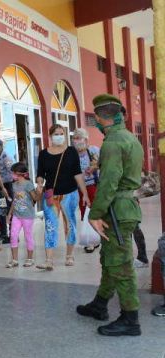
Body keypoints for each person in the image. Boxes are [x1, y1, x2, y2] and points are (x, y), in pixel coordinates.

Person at [77, 94, 143, 336]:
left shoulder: (113, 142)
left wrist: (95, 214)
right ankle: (100, 304)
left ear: (98, 117)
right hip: (124, 208)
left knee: (121, 265)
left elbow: (108, 183)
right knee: (110, 259)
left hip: (117, 210)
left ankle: (130, 319)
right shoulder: (129, 138)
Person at [35, 124, 90, 270]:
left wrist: (84, 193)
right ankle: (49, 260)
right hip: (51, 195)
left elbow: (77, 173)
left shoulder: (71, 151)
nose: (59, 136)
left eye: (61, 133)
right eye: (56, 134)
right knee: (50, 226)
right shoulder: (43, 154)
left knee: (70, 224)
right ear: (50, 136)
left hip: (70, 194)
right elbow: (40, 173)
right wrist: (40, 183)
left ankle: (69, 255)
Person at [121, 107, 149, 268]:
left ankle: (142, 257)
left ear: (125, 116)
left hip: (129, 190)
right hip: (126, 189)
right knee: (129, 225)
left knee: (132, 225)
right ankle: (132, 257)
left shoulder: (128, 139)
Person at [72, 128, 101, 253]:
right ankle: (90, 240)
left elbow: (102, 163)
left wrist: (94, 168)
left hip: (94, 186)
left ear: (86, 139)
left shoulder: (93, 150)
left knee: (96, 211)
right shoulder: (72, 154)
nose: (77, 141)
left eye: (79, 138)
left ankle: (98, 237)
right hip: (79, 188)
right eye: (75, 138)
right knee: (85, 212)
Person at [5, 162, 38, 268]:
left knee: (28, 236)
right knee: (13, 235)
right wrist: (9, 214)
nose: (12, 175)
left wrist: (39, 191)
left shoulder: (28, 184)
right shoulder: (14, 185)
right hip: (16, 215)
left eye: (13, 173)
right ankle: (14, 260)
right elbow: (14, 200)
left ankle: (30, 258)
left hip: (27, 215)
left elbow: (35, 198)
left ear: (19, 173)